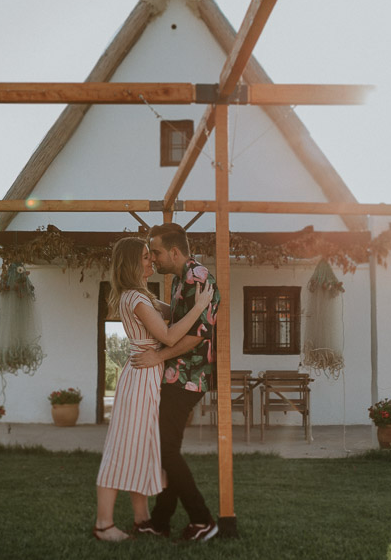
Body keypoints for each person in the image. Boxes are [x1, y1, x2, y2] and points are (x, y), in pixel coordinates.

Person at [93, 237, 213, 542]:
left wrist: (189, 297)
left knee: (141, 448)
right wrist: (200, 306)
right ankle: (104, 525)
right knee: (124, 448)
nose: (152, 262)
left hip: (146, 374)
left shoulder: (140, 295)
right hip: (143, 376)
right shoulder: (136, 298)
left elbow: (172, 313)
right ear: (133, 263)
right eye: (146, 257)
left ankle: (143, 518)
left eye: (152, 255)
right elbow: (170, 336)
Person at [129, 222, 221, 542]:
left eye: (155, 252)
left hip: (188, 378)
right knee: (166, 449)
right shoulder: (181, 279)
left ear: (175, 251)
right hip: (176, 376)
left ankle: (203, 519)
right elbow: (181, 318)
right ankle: (160, 521)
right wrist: (154, 307)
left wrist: (158, 356)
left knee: (166, 450)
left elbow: (198, 335)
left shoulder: (198, 278)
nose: (153, 259)